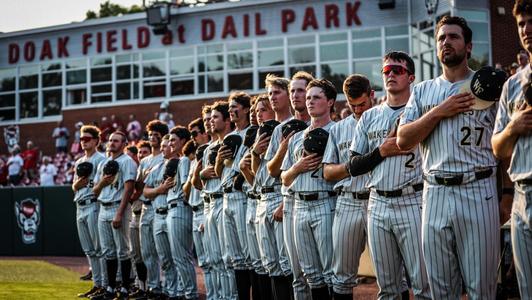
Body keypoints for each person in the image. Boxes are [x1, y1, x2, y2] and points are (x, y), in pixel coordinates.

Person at [397, 16, 500, 299]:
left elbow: (504, 145)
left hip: (478, 188)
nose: (446, 42)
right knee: (441, 290)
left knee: (482, 289)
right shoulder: (422, 91)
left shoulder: (488, 86)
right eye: (441, 38)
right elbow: (403, 139)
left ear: (468, 46)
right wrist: (439, 110)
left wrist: (505, 194)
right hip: (435, 191)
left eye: (453, 37)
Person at [348, 52, 430, 299]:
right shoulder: (369, 116)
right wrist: (381, 151)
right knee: (388, 288)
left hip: (412, 200)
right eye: (386, 71)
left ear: (411, 77)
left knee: (423, 284)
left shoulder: (424, 111)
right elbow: (353, 165)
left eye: (397, 70)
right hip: (377, 204)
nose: (391, 74)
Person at [281, 78, 338, 299]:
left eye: (316, 97)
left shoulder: (338, 131)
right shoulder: (296, 138)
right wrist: (297, 167)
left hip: (326, 201)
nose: (310, 101)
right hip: (299, 207)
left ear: (330, 102)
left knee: (331, 273)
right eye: (308, 98)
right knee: (310, 274)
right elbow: (284, 178)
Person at [491, 1, 532, 298]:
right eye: (521, 24)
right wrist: (513, 127)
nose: (526, 29)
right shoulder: (513, 85)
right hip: (521, 193)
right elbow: (498, 148)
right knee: (527, 288)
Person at [322, 74, 373, 300]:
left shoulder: (383, 120)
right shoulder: (337, 129)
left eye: (362, 104)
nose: (358, 109)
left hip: (378, 199)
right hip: (348, 200)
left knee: (392, 275)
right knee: (342, 275)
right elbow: (327, 172)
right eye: (353, 106)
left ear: (372, 95)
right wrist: (354, 166)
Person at [264, 71, 314, 300]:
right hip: (291, 202)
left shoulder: (322, 124)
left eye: (300, 90)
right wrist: (284, 148)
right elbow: (272, 170)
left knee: (323, 274)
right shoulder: (280, 129)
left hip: (321, 201)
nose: (295, 95)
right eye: (292, 90)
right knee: (296, 273)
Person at [252, 74, 293, 299]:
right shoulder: (266, 130)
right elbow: (258, 174)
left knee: (287, 265)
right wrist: (255, 152)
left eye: (277, 92)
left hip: (280, 196)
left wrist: (285, 202)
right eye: (270, 93)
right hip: (262, 198)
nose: (272, 97)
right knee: (271, 265)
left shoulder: (292, 126)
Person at [92, 131, 136, 299]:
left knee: (123, 251)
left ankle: (124, 288)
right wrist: (103, 182)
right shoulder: (103, 163)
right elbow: (94, 191)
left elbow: (129, 189)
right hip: (103, 208)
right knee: (108, 251)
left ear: (124, 144)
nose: (112, 143)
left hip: (119, 207)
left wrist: (119, 213)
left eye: (116, 141)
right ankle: (110, 288)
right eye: (110, 140)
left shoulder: (127, 162)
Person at [133, 120, 168, 299]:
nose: (153, 137)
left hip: (160, 207)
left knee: (162, 251)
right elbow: (138, 187)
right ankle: (153, 287)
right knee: (146, 251)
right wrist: (141, 180)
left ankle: (167, 287)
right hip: (145, 208)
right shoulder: (145, 160)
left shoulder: (165, 157)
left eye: (157, 134)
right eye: (151, 134)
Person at [143, 135, 181, 299]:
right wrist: (160, 189)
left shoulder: (181, 163)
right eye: (163, 145)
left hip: (174, 212)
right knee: (165, 258)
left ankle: (180, 291)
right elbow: (145, 191)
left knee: (178, 256)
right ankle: (168, 290)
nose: (164, 148)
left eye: (167, 145)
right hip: (158, 214)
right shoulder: (157, 166)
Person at [72, 125, 107, 298]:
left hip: (94, 205)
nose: (83, 142)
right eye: (81, 139)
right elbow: (74, 185)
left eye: (87, 139)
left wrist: (88, 183)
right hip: (80, 205)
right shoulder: (78, 161)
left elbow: (104, 184)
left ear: (96, 140)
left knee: (99, 248)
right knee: (89, 250)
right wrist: (78, 184)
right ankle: (96, 284)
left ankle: (104, 285)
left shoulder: (102, 159)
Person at [166, 126, 198, 300]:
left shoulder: (184, 160)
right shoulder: (178, 160)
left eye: (173, 140)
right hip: (174, 208)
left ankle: (190, 294)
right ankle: (183, 293)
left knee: (182, 257)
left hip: (180, 207)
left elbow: (187, 189)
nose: (170, 143)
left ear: (184, 141)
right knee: (178, 257)